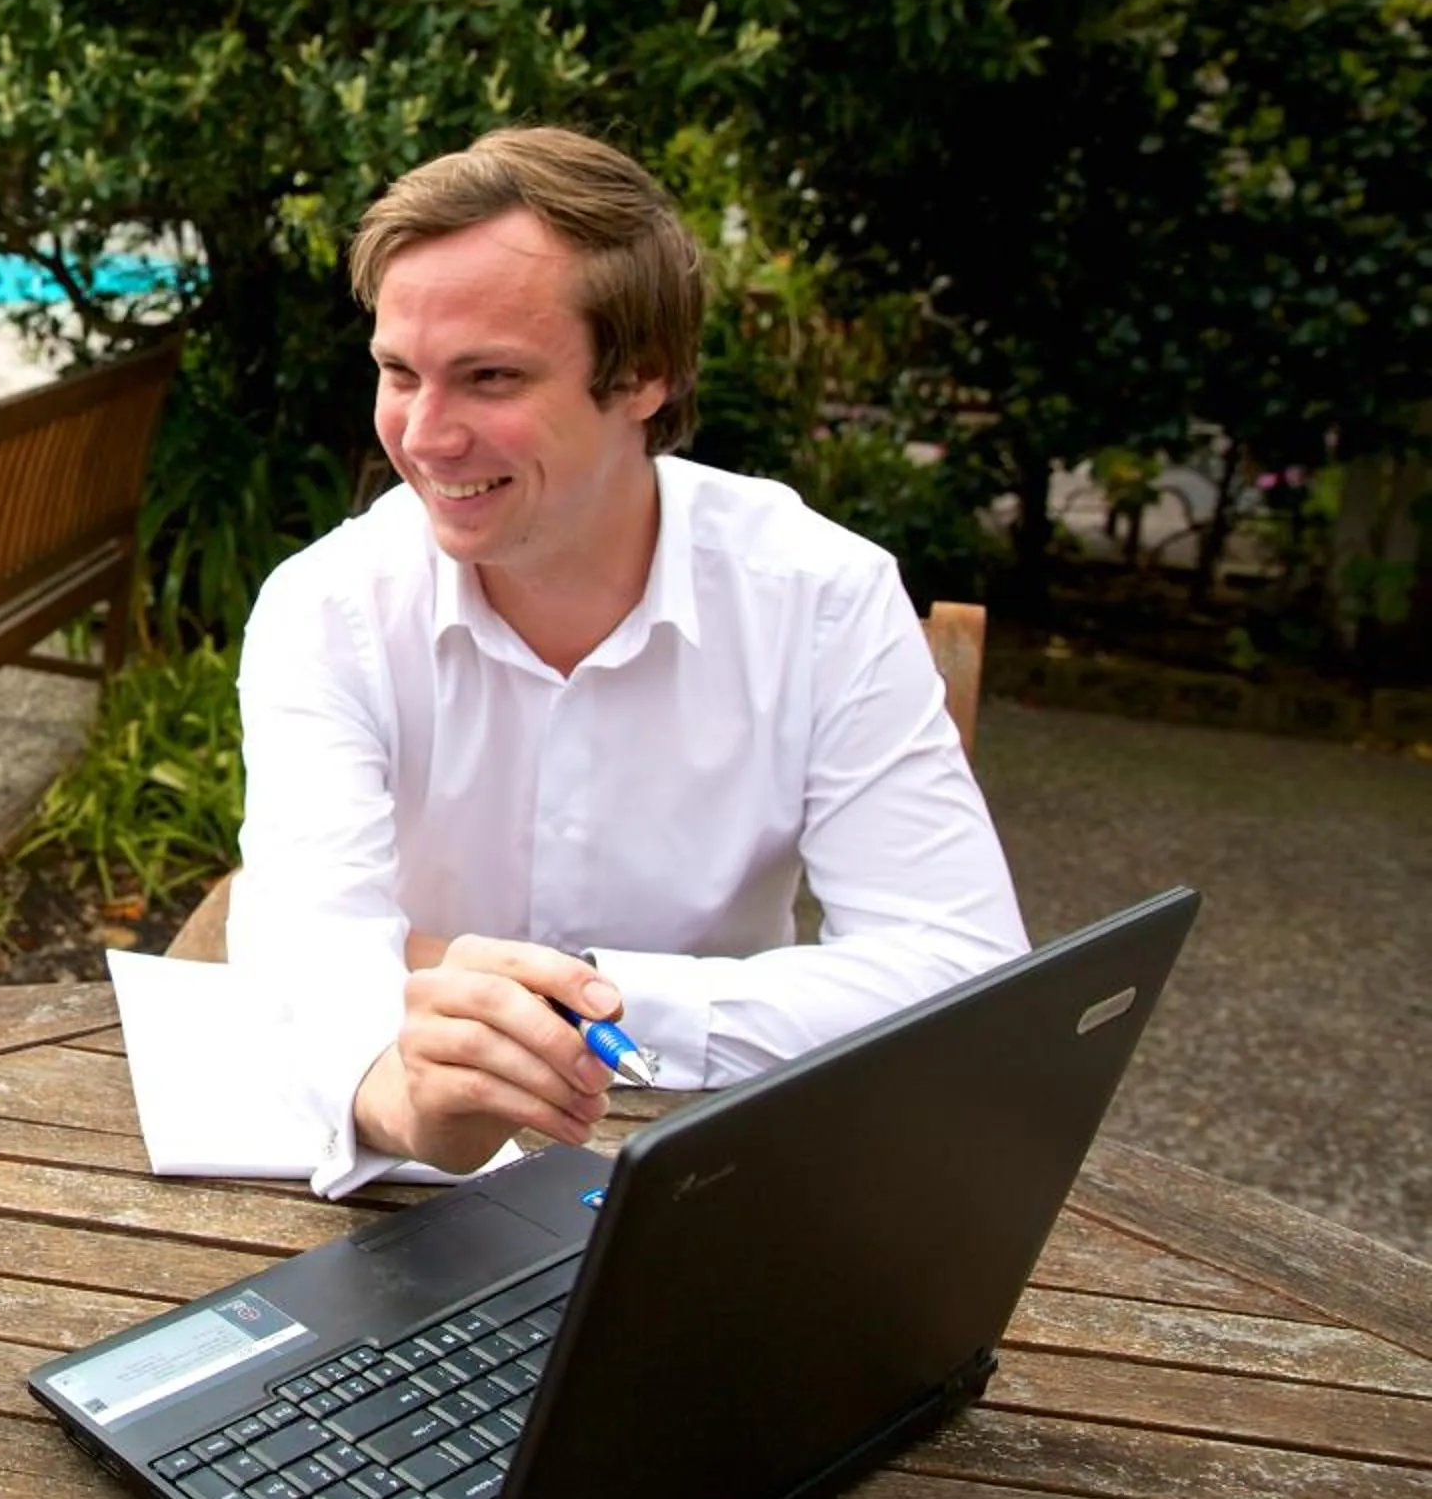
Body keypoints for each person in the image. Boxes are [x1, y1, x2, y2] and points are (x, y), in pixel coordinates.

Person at [228, 126, 1024, 1199]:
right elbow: (305, 949)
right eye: (397, 371)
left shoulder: (820, 597)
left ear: (644, 374)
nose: (423, 434)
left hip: (723, 1173)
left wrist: (572, 1005)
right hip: (409, 1187)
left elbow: (963, 975)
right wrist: (400, 1095)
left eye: (490, 377)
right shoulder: (328, 608)